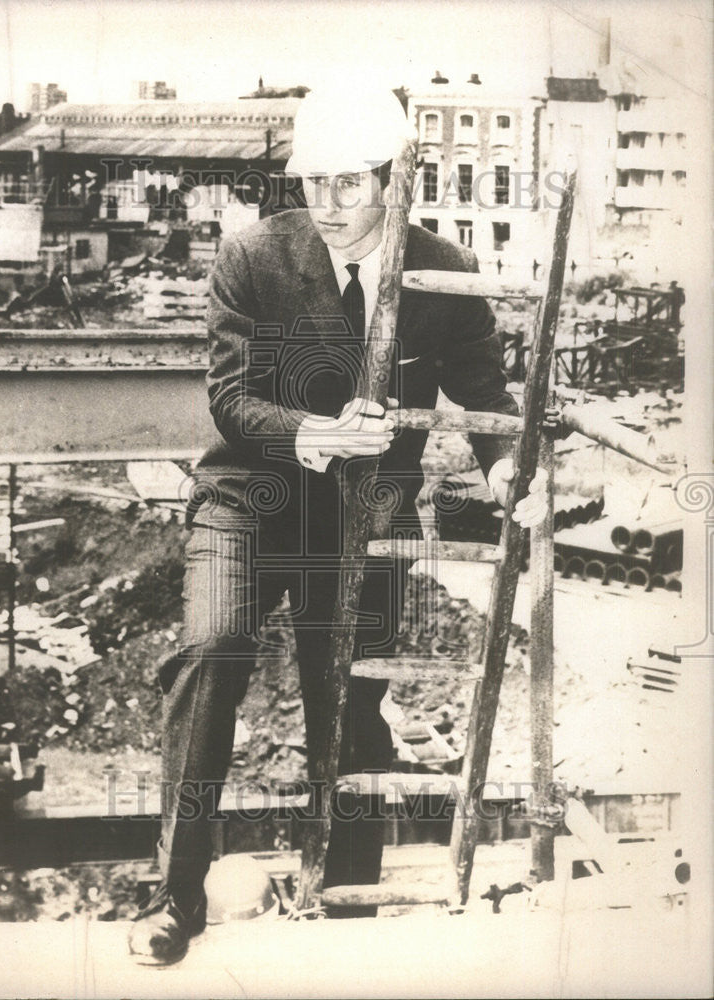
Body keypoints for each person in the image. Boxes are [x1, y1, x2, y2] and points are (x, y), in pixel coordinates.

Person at [128, 86, 547, 966]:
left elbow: (482, 396)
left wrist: (511, 473)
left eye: (350, 183)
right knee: (210, 651)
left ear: (394, 180)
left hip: (365, 517)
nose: (328, 202)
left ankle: (347, 907)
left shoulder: (443, 269)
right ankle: (173, 900)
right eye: (313, 181)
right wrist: (313, 432)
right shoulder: (254, 257)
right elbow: (232, 399)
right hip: (250, 495)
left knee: (349, 700)